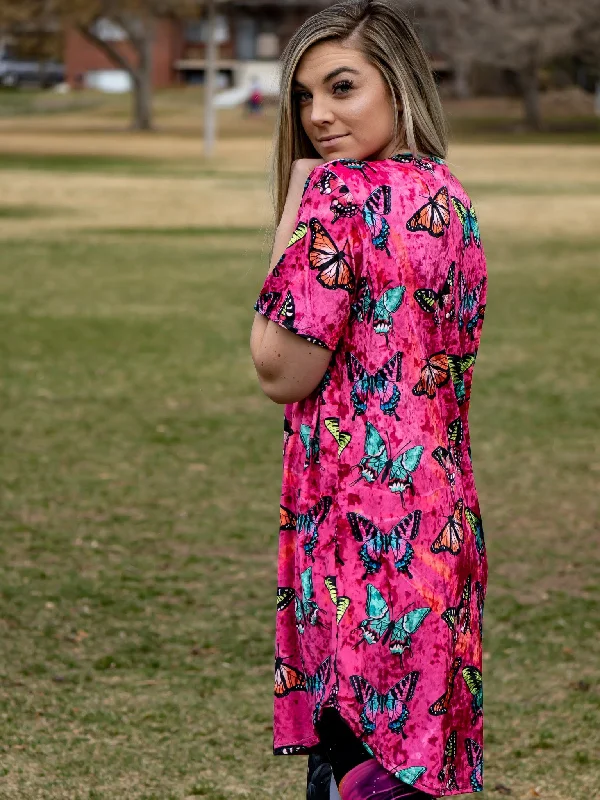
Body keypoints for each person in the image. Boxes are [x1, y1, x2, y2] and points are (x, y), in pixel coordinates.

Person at [249, 2, 488, 798]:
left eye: (342, 87)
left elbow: (280, 368)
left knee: (360, 767)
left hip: (362, 539)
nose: (319, 115)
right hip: (440, 526)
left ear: (399, 83)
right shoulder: (447, 197)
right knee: (422, 768)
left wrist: (292, 211)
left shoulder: (339, 199)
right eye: (305, 97)